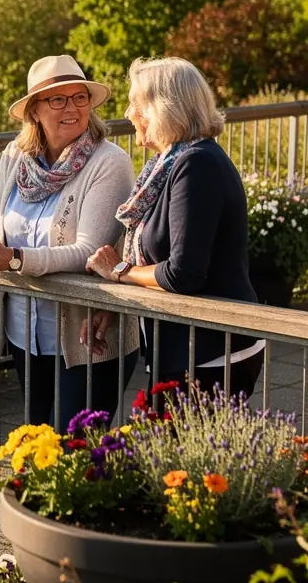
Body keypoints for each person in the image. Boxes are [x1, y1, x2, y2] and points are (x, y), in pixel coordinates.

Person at [0, 55, 137, 428]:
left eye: (80, 97)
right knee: (40, 446)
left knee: (75, 456)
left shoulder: (109, 162)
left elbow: (88, 252)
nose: (72, 107)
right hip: (26, 333)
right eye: (57, 99)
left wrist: (12, 259)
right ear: (34, 111)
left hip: (88, 337)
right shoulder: (16, 156)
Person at [87, 57, 264, 397]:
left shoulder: (195, 164)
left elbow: (182, 273)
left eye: (135, 104)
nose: (128, 114)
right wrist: (117, 302)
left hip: (212, 351)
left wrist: (119, 272)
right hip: (185, 347)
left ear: (160, 109)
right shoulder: (169, 164)